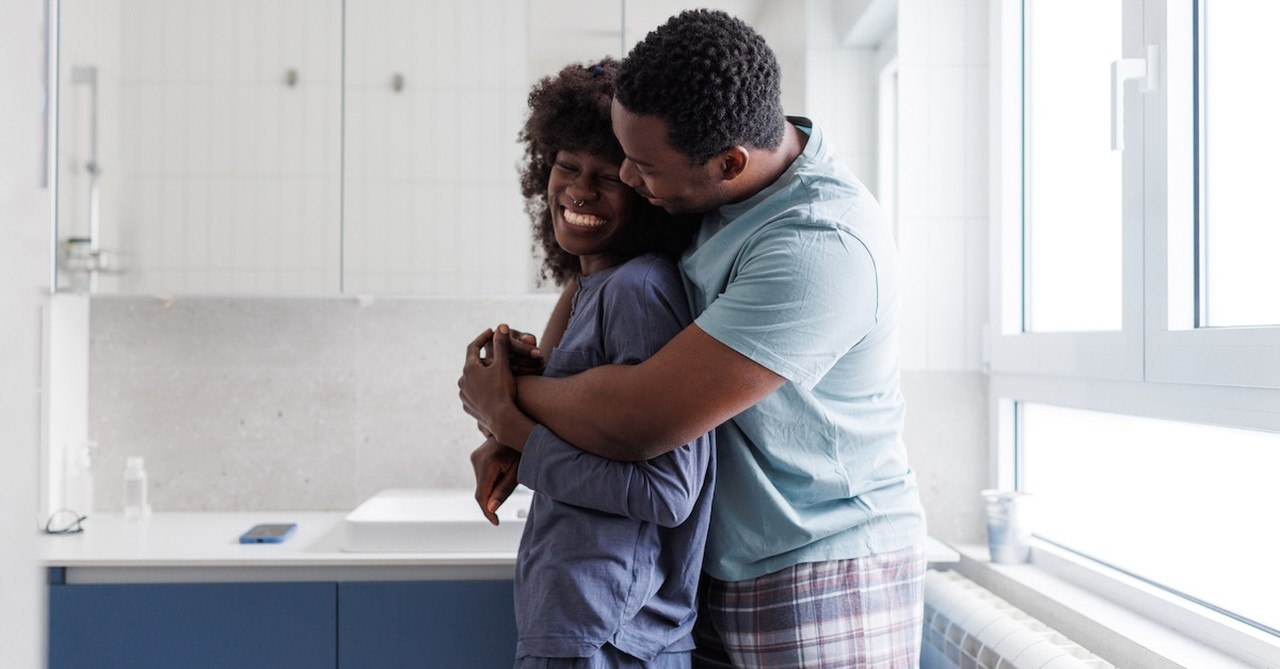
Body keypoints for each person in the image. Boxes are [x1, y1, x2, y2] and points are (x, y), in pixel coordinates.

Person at [460, 9, 927, 669]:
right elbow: (604, 269)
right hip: (717, 570)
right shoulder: (709, 192)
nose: (625, 179)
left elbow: (641, 418)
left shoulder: (822, 244)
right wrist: (506, 423)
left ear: (728, 162)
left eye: (641, 166)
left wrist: (506, 404)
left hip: (820, 568)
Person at [462, 58, 715, 669]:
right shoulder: (594, 289)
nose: (578, 189)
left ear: (649, 193)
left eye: (610, 178)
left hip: (606, 634)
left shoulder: (638, 291)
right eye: (567, 166)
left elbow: (667, 494)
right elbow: (596, 437)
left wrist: (514, 425)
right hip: (586, 626)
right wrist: (519, 418)